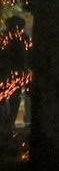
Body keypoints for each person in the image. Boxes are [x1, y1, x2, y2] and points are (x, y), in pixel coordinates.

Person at [0, 16, 30, 145]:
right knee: (12, 98)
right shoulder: (22, 38)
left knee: (11, 98)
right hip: (10, 72)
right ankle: (7, 123)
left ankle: (7, 123)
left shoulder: (10, 38)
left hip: (10, 72)